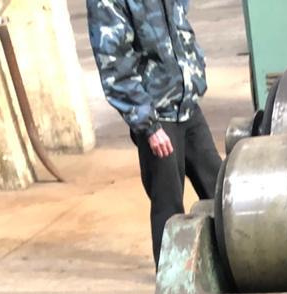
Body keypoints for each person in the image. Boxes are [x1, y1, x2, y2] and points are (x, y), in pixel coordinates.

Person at [87, 0, 223, 268]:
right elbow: (114, 64)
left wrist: (195, 71)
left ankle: (234, 258)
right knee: (168, 205)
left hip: (186, 105)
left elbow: (180, 24)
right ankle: (172, 276)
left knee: (219, 188)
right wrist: (148, 125)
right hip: (157, 115)